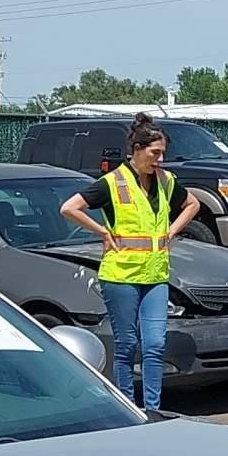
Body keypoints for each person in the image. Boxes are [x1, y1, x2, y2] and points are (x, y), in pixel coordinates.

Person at [59, 113, 201, 415]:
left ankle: (153, 409)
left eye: (163, 153)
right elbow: (69, 208)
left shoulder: (165, 181)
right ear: (137, 149)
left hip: (155, 275)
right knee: (125, 345)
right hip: (121, 276)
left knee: (155, 345)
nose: (160, 159)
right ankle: (127, 407)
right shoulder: (112, 182)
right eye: (155, 153)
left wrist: (173, 230)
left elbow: (193, 204)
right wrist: (100, 231)